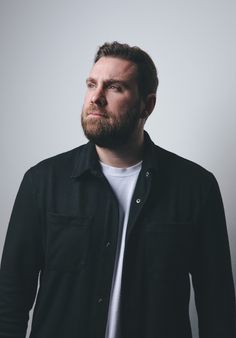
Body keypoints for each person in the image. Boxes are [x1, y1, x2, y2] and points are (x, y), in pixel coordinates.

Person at [0, 41, 235, 338]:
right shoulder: (42, 182)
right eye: (91, 84)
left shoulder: (196, 188)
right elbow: (10, 300)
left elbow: (218, 309)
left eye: (114, 88)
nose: (95, 98)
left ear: (146, 105)